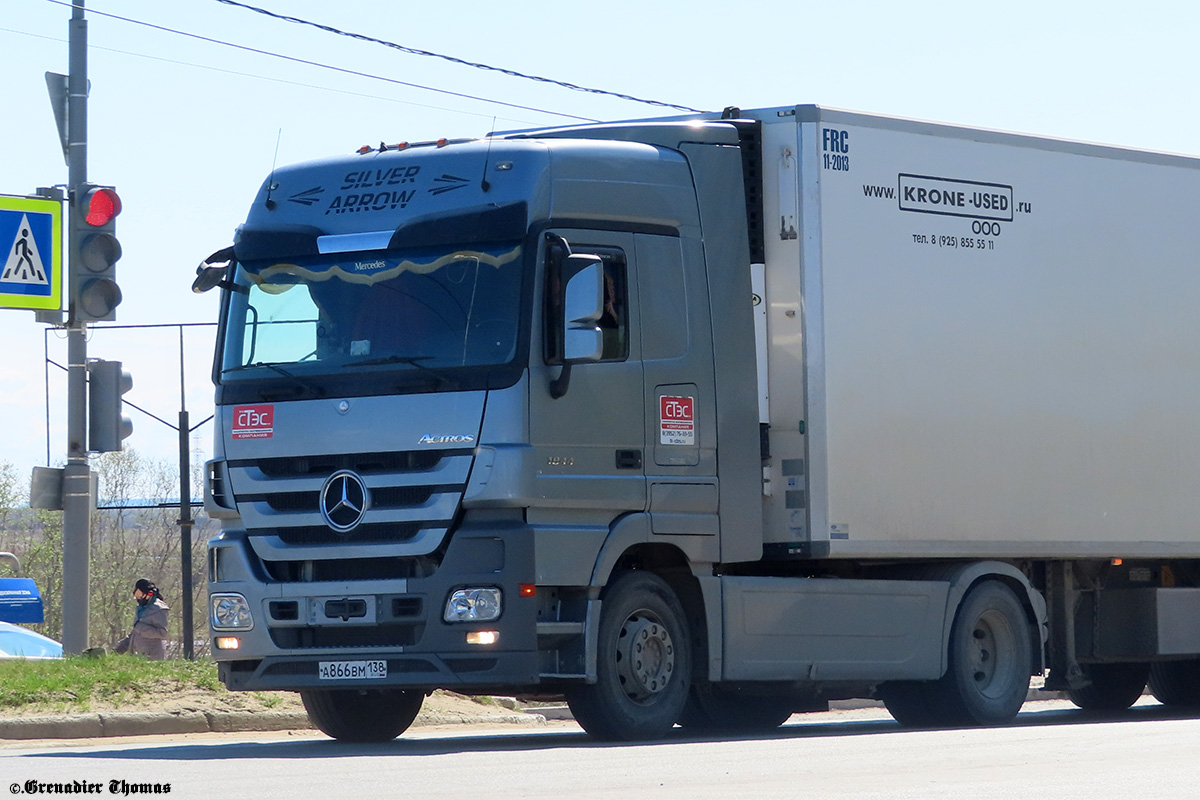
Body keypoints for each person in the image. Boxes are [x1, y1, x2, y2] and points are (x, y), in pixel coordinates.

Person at [114, 579, 169, 660]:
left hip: (153, 657)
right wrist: (119, 649)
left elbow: (162, 633)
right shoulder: (141, 608)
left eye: (140, 595)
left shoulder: (159, 609)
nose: (138, 598)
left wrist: (141, 628)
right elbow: (135, 633)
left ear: (149, 594)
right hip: (137, 656)